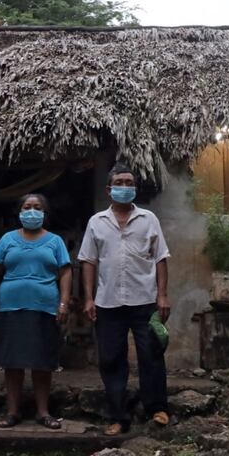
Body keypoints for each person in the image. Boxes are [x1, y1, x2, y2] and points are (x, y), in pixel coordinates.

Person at [78, 163, 171, 436]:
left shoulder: (148, 219)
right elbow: (88, 261)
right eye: (119, 182)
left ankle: (157, 408)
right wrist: (88, 298)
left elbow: (161, 258)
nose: (125, 187)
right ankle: (119, 416)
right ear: (109, 189)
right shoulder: (96, 222)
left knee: (151, 355)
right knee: (111, 360)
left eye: (129, 183)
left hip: (145, 300)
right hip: (108, 302)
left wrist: (162, 295)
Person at [0, 193, 72, 429]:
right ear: (20, 212)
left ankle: (43, 412)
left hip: (44, 307)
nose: (32, 211)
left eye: (37, 207)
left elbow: (65, 272)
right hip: (10, 306)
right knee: (12, 361)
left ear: (44, 213)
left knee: (42, 361)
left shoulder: (55, 241)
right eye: (27, 207)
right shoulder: (7, 239)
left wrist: (63, 303)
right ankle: (12, 412)